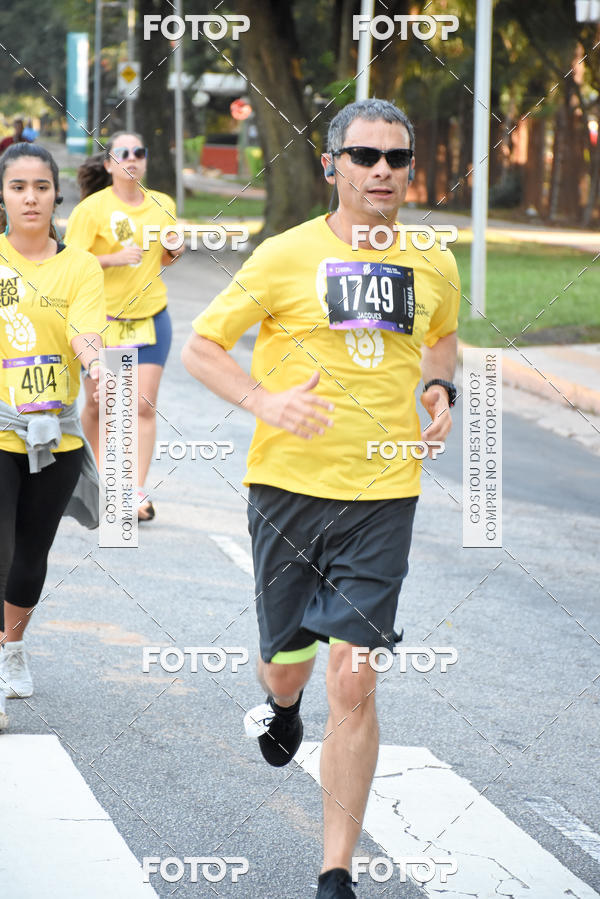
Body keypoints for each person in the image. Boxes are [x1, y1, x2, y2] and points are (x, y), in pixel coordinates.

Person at [182, 98, 460, 897]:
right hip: (286, 489)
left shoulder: (432, 261)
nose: (383, 171)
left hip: (383, 493)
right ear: (331, 164)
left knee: (356, 677)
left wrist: (439, 386)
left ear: (410, 169)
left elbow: (442, 334)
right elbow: (203, 346)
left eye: (397, 159)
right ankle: (280, 703)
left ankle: (334, 870)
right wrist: (267, 402)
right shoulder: (282, 256)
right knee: (284, 667)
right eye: (366, 156)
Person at [0, 142, 105, 723]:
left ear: (56, 193)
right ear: (3, 195)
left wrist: (96, 364)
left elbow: (86, 331)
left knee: (30, 555)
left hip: (57, 436)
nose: (30, 197)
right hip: (0, 427)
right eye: (18, 187)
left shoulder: (80, 265)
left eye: (41, 186)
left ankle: (11, 649)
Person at [65, 132, 184, 521]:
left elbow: (165, 259)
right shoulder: (91, 210)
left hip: (150, 318)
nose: (132, 159)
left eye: (139, 152)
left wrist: (174, 251)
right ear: (110, 165)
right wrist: (113, 259)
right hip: (101, 321)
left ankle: (132, 491)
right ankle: (99, 481)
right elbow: (69, 266)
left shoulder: (162, 204)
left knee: (143, 406)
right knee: (100, 406)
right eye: (123, 153)